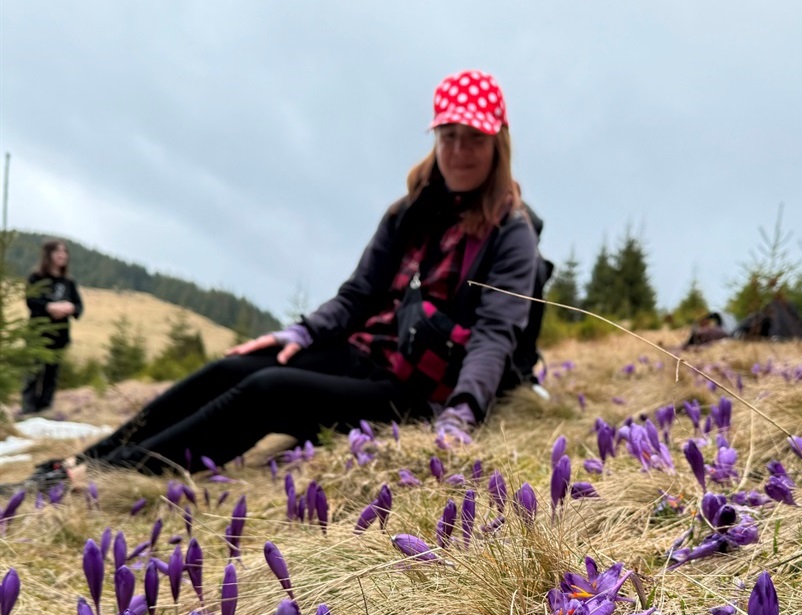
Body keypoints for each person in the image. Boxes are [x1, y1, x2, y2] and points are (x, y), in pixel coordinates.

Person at [31, 69, 540, 489]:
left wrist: (463, 411)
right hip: (368, 351)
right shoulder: (409, 212)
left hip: (422, 388)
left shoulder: (510, 231)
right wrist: (300, 333)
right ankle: (83, 461)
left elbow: (496, 334)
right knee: (237, 367)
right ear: (435, 139)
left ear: (498, 143)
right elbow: (359, 295)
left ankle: (102, 478)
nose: (459, 151)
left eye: (475, 138)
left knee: (269, 389)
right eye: (449, 137)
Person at [21, 239, 84, 415]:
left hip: (59, 336)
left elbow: (79, 307)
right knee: (33, 372)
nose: (63, 255)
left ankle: (45, 408)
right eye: (58, 252)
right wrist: (50, 307)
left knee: (51, 375)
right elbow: (31, 300)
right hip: (38, 334)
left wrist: (70, 308)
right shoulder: (36, 278)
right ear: (49, 255)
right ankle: (28, 409)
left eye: (65, 252)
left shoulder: (69, 282)